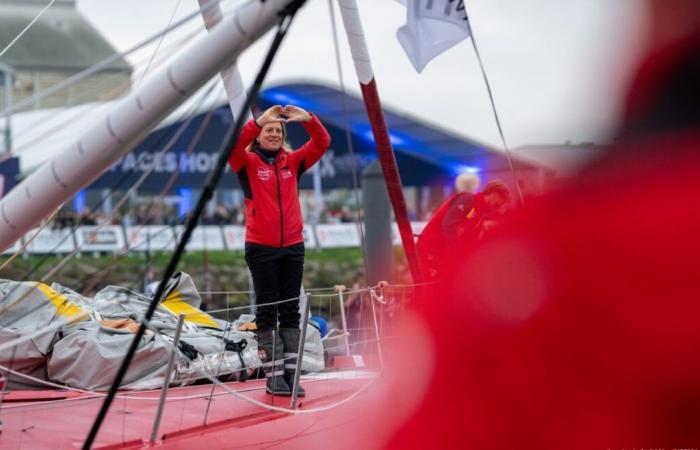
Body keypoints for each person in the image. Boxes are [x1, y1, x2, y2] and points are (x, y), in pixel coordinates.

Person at [228, 104, 330, 396]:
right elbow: (232, 147)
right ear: (258, 136)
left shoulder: (294, 161)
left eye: (278, 130)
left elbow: (322, 142)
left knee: (290, 312)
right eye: (268, 130)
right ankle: (274, 376)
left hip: (293, 246)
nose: (273, 133)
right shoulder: (245, 162)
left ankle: (290, 374)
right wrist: (258, 120)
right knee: (266, 310)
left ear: (283, 136)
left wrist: (309, 120)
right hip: (261, 247)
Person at [416, 178, 511, 281]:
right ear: (494, 194)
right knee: (431, 290)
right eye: (499, 203)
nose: (497, 208)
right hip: (430, 251)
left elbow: (469, 244)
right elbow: (448, 225)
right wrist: (460, 254)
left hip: (441, 256)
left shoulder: (478, 217)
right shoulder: (468, 199)